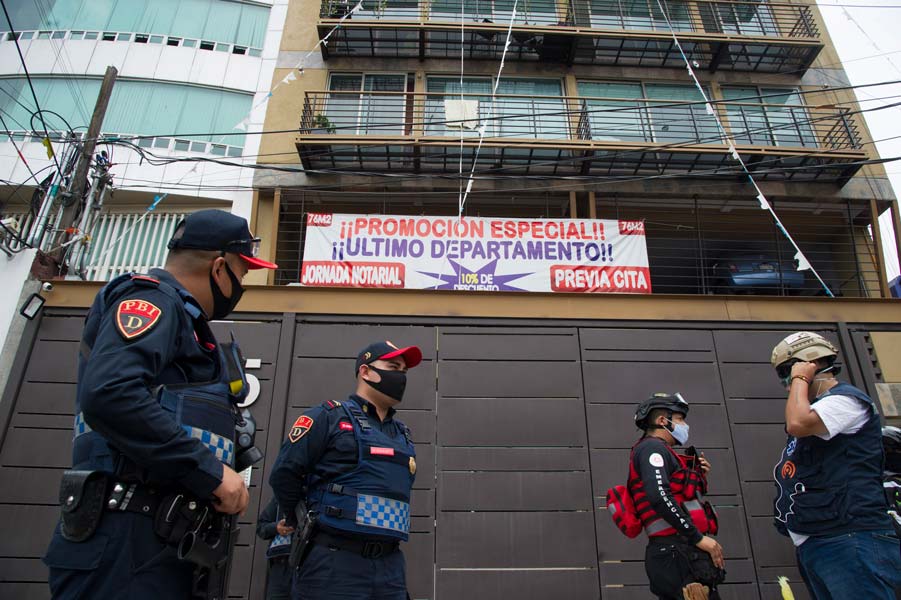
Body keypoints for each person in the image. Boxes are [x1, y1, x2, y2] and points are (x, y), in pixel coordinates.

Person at [43, 209, 277, 599]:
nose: (242, 284)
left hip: (165, 537)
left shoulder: (186, 320)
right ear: (219, 268)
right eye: (242, 273)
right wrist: (209, 471)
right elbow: (110, 393)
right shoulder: (151, 298)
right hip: (127, 536)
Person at [269, 341, 422, 600]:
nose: (400, 377)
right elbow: (284, 473)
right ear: (365, 371)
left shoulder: (403, 435)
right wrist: (297, 519)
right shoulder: (328, 417)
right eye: (393, 367)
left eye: (404, 372)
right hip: (334, 564)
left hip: (390, 568)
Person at [771, 331, 901, 599]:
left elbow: (798, 422)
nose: (786, 383)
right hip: (821, 541)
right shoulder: (822, 410)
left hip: (849, 539)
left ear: (810, 363)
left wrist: (799, 378)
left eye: (788, 371)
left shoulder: (845, 401)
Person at [631, 393, 725, 600]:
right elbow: (659, 496)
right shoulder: (651, 448)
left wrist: (699, 476)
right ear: (662, 421)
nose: (686, 425)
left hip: (680, 551)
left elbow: (676, 493)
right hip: (675, 553)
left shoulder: (662, 451)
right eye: (680, 419)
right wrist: (697, 537)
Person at [257, 496, 295, 600]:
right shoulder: (281, 496)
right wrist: (276, 528)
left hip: (310, 564)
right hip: (281, 564)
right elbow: (261, 527)